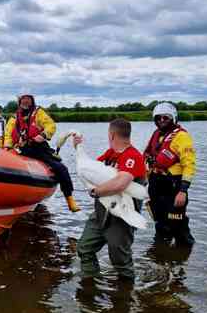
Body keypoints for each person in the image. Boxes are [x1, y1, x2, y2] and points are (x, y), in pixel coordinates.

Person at [74, 119, 146, 280]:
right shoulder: (111, 153)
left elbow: (121, 183)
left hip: (121, 216)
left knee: (120, 261)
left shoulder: (133, 156)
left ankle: (125, 295)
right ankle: (90, 282)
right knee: (84, 248)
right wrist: (78, 147)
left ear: (112, 134)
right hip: (101, 213)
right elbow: (89, 167)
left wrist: (95, 191)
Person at [4, 94, 80, 212]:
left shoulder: (38, 113)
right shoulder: (14, 118)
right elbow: (8, 134)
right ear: (19, 102)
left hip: (38, 148)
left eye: (28, 99)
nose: (25, 102)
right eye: (23, 99)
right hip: (21, 150)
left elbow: (50, 125)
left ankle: (69, 198)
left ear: (32, 101)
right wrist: (8, 148)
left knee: (61, 168)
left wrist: (43, 135)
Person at [144, 102, 196, 246]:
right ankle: (161, 254)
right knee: (160, 223)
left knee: (177, 224)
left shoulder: (182, 137)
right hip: (156, 183)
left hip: (174, 186)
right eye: (158, 118)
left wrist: (183, 190)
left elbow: (189, 165)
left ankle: (183, 256)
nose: (161, 120)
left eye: (165, 118)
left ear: (173, 118)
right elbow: (147, 157)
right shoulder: (157, 135)